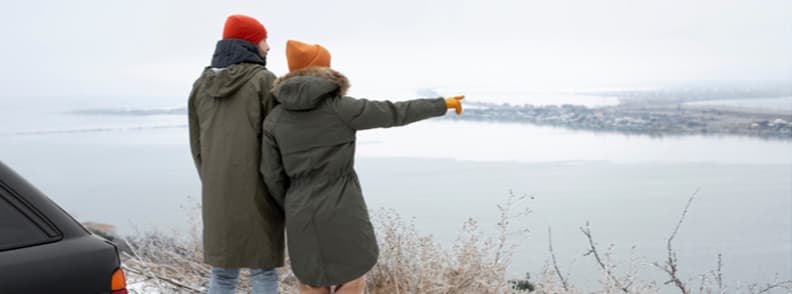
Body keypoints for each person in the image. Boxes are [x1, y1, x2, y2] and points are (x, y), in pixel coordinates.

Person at [260, 39, 464, 294]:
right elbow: (394, 112)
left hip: (300, 211)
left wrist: (292, 201)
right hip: (343, 206)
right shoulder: (342, 109)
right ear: (324, 71)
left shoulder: (274, 120)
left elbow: (271, 175)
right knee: (352, 276)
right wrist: (441, 104)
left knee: (312, 280)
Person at [188, 14, 284, 294]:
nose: (268, 47)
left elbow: (196, 144)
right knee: (263, 271)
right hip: (259, 191)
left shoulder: (200, 85)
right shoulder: (265, 81)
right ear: (250, 43)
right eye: (264, 40)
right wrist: (280, 190)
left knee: (222, 274)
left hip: (217, 191)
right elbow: (276, 142)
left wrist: (211, 179)